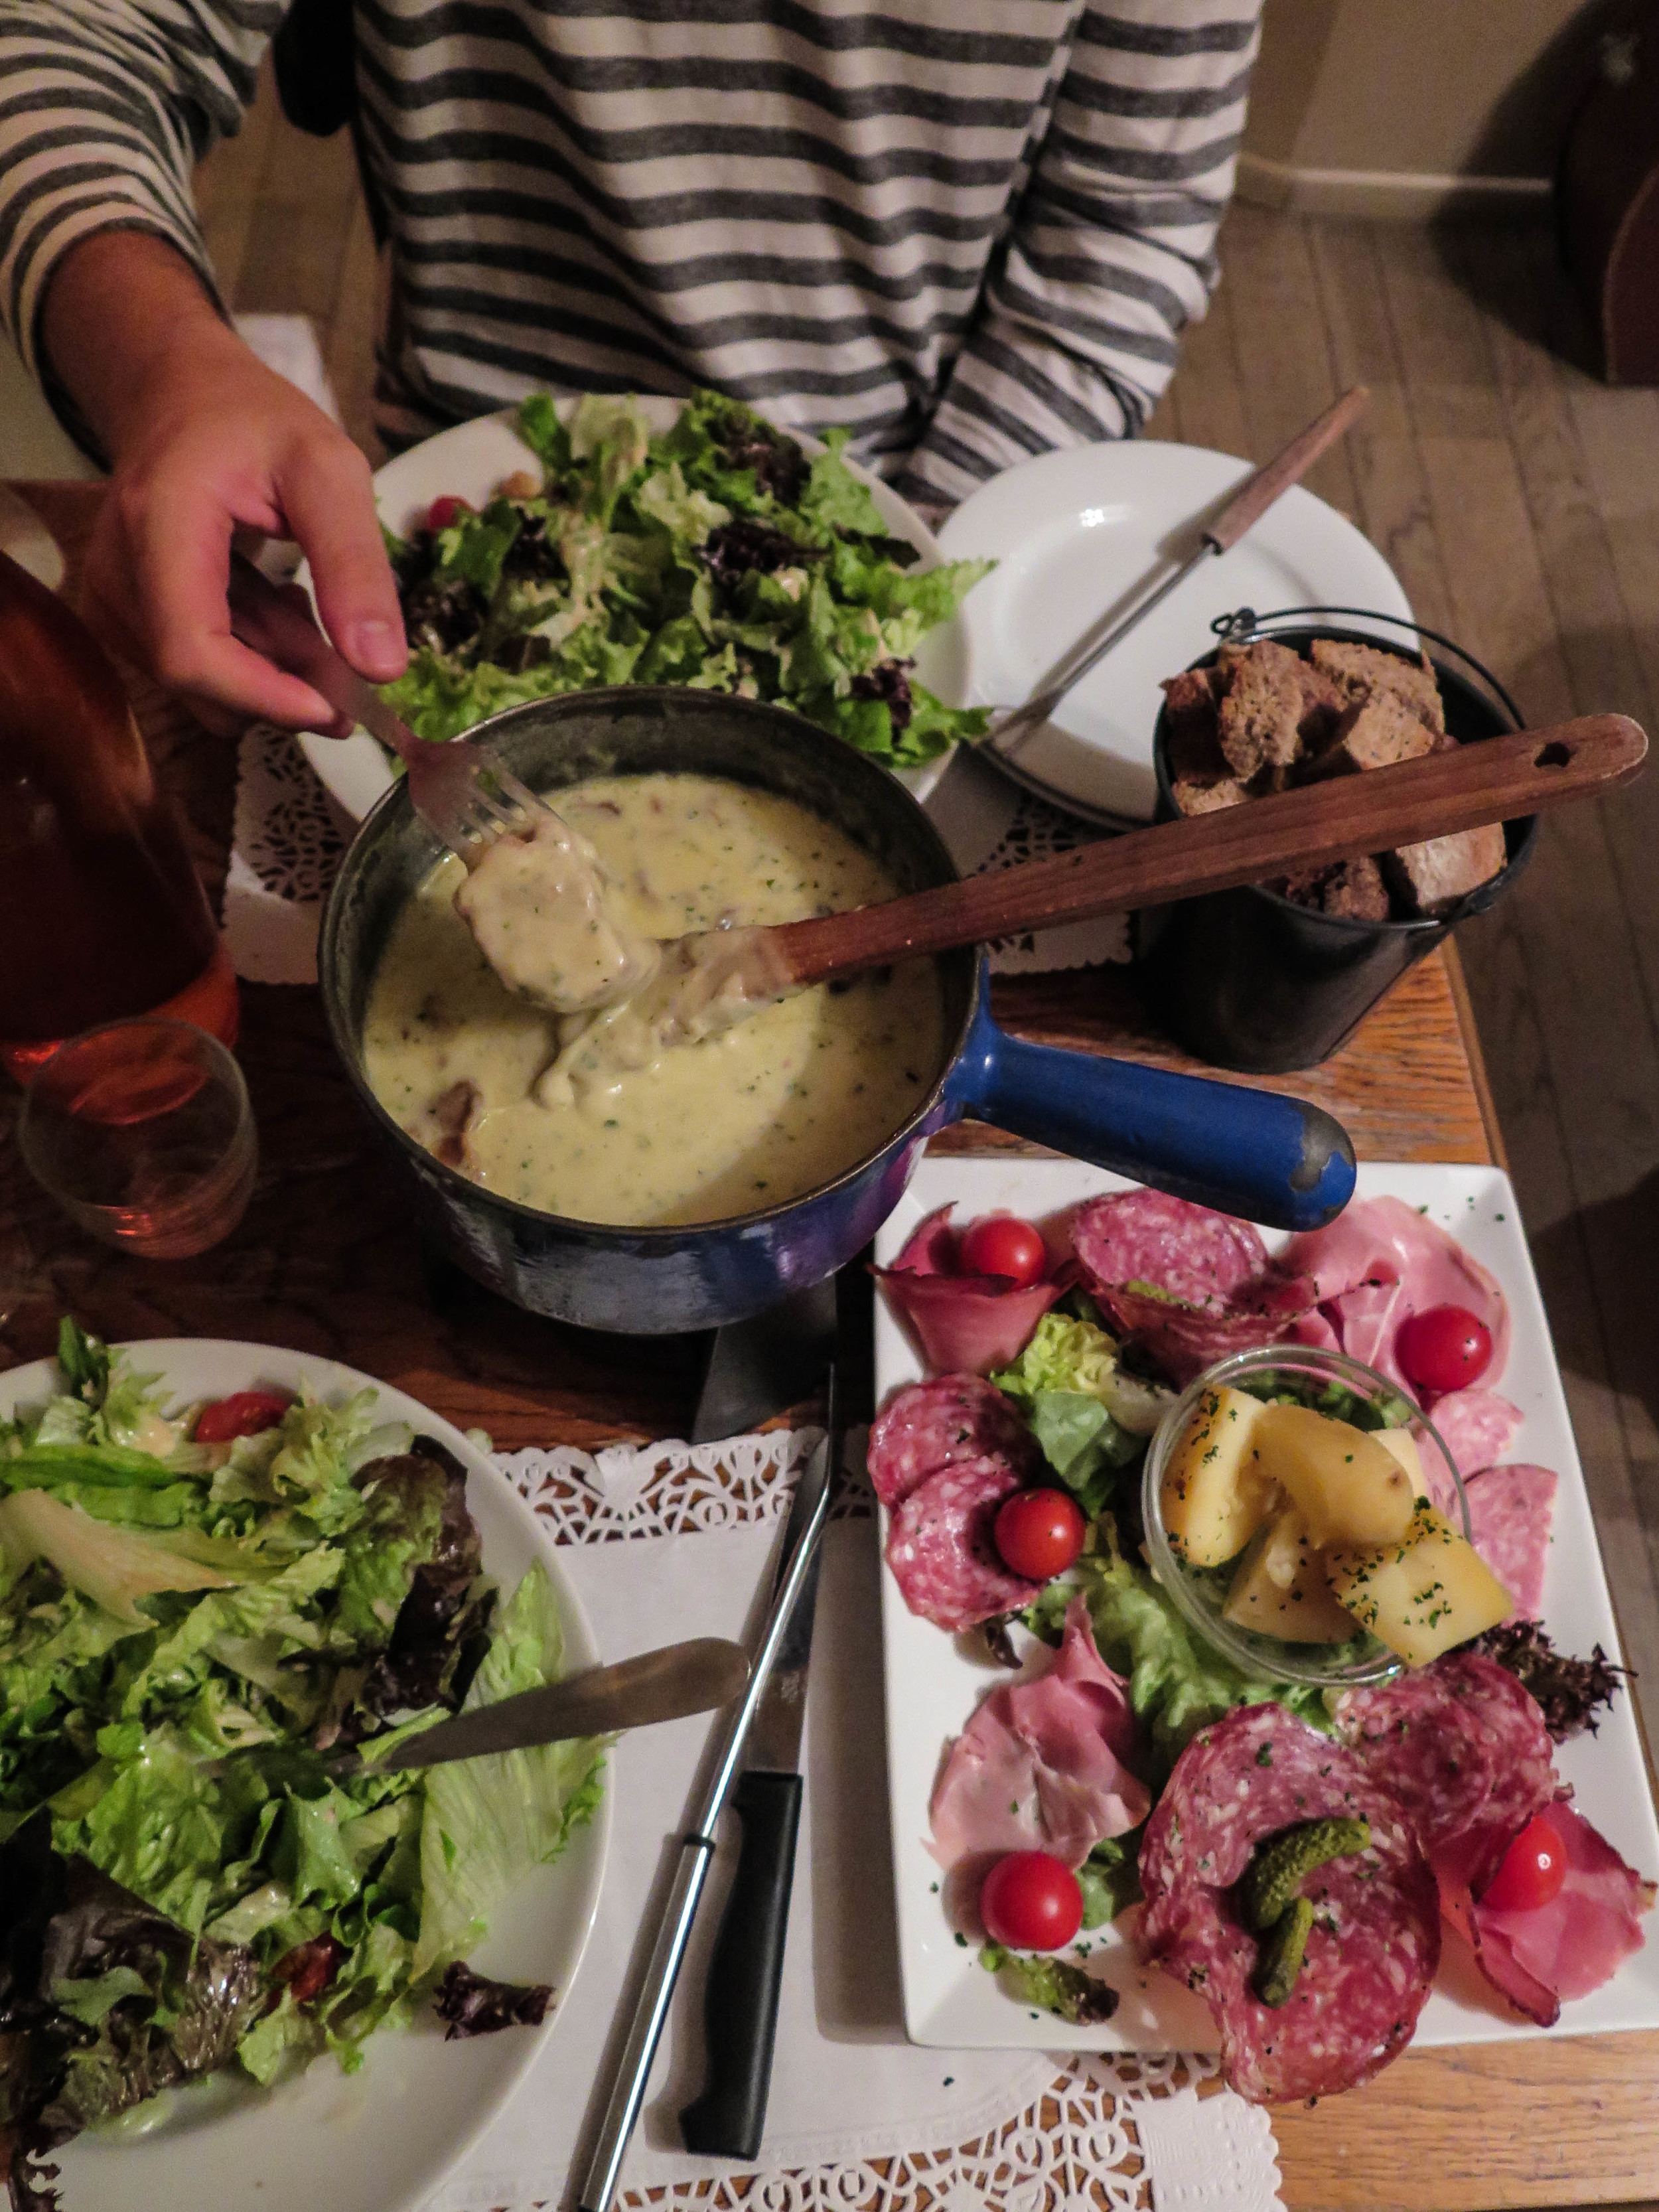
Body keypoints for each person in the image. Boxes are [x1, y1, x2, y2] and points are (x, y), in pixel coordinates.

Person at [0, 0, 1262, 736]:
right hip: (431, 550)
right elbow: (72, 36)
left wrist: (902, 579)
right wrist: (164, 367)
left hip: (909, 527)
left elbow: (1123, 226)